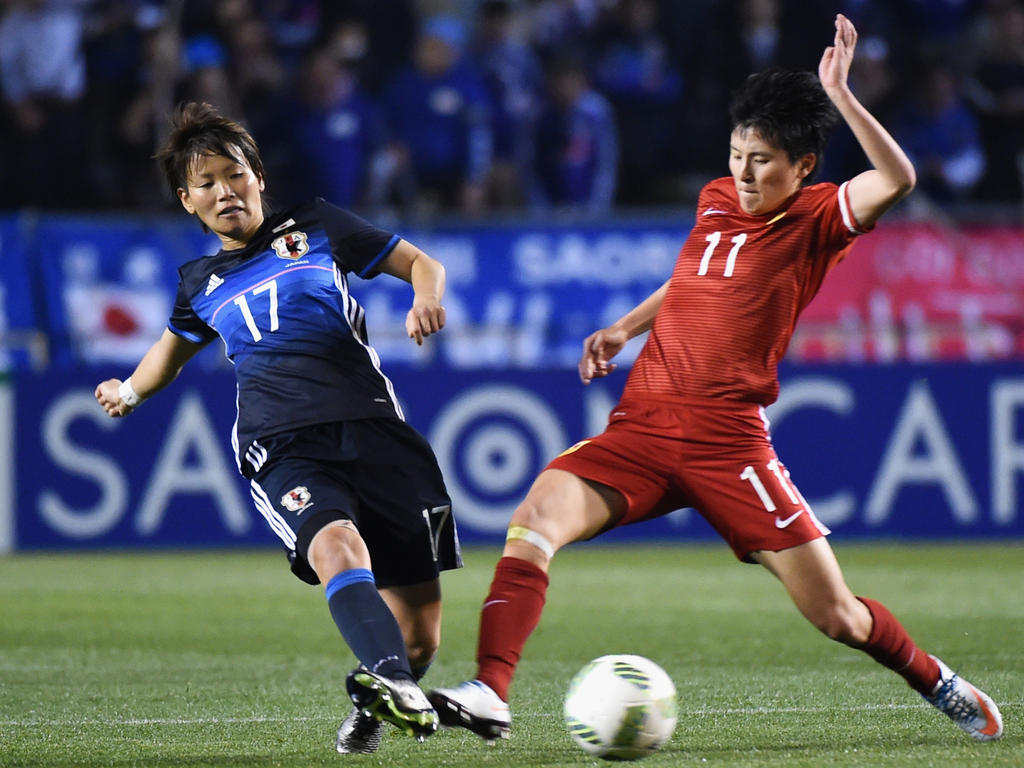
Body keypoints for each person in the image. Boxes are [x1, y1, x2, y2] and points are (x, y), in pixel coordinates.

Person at [428, 14, 1003, 745]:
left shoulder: (820, 218)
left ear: (803, 166)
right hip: (640, 429)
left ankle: (936, 680)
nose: (744, 172)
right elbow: (695, 278)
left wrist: (842, 94)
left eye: (762, 160)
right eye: (737, 154)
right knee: (533, 523)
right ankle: (490, 690)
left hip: (728, 445)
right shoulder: (715, 199)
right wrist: (625, 328)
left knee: (838, 617)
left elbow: (899, 178)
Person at [94, 101, 461, 755]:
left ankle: (380, 688)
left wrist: (425, 299)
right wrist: (127, 390)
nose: (223, 191)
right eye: (205, 183)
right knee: (338, 548)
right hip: (282, 442)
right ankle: (393, 682)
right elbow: (168, 354)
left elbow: (422, 264)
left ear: (257, 176)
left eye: (232, 174)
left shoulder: (321, 227)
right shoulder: (199, 283)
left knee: (422, 637)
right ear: (188, 201)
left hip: (377, 432)